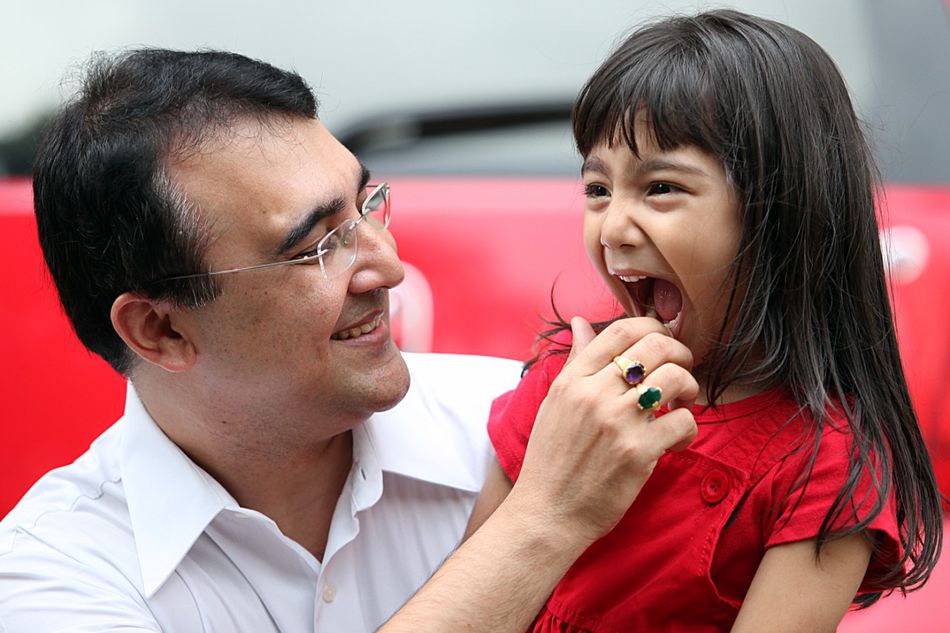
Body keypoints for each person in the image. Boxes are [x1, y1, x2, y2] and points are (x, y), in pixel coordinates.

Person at [0, 49, 700, 632]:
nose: (390, 266)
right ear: (162, 328)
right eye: (318, 245)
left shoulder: (532, 421)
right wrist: (543, 520)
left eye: (368, 205)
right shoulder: (57, 573)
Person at [468, 9, 944, 633]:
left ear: (780, 214)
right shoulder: (568, 387)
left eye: (661, 188)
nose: (612, 229)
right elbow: (471, 598)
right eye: (597, 189)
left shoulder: (825, 468)